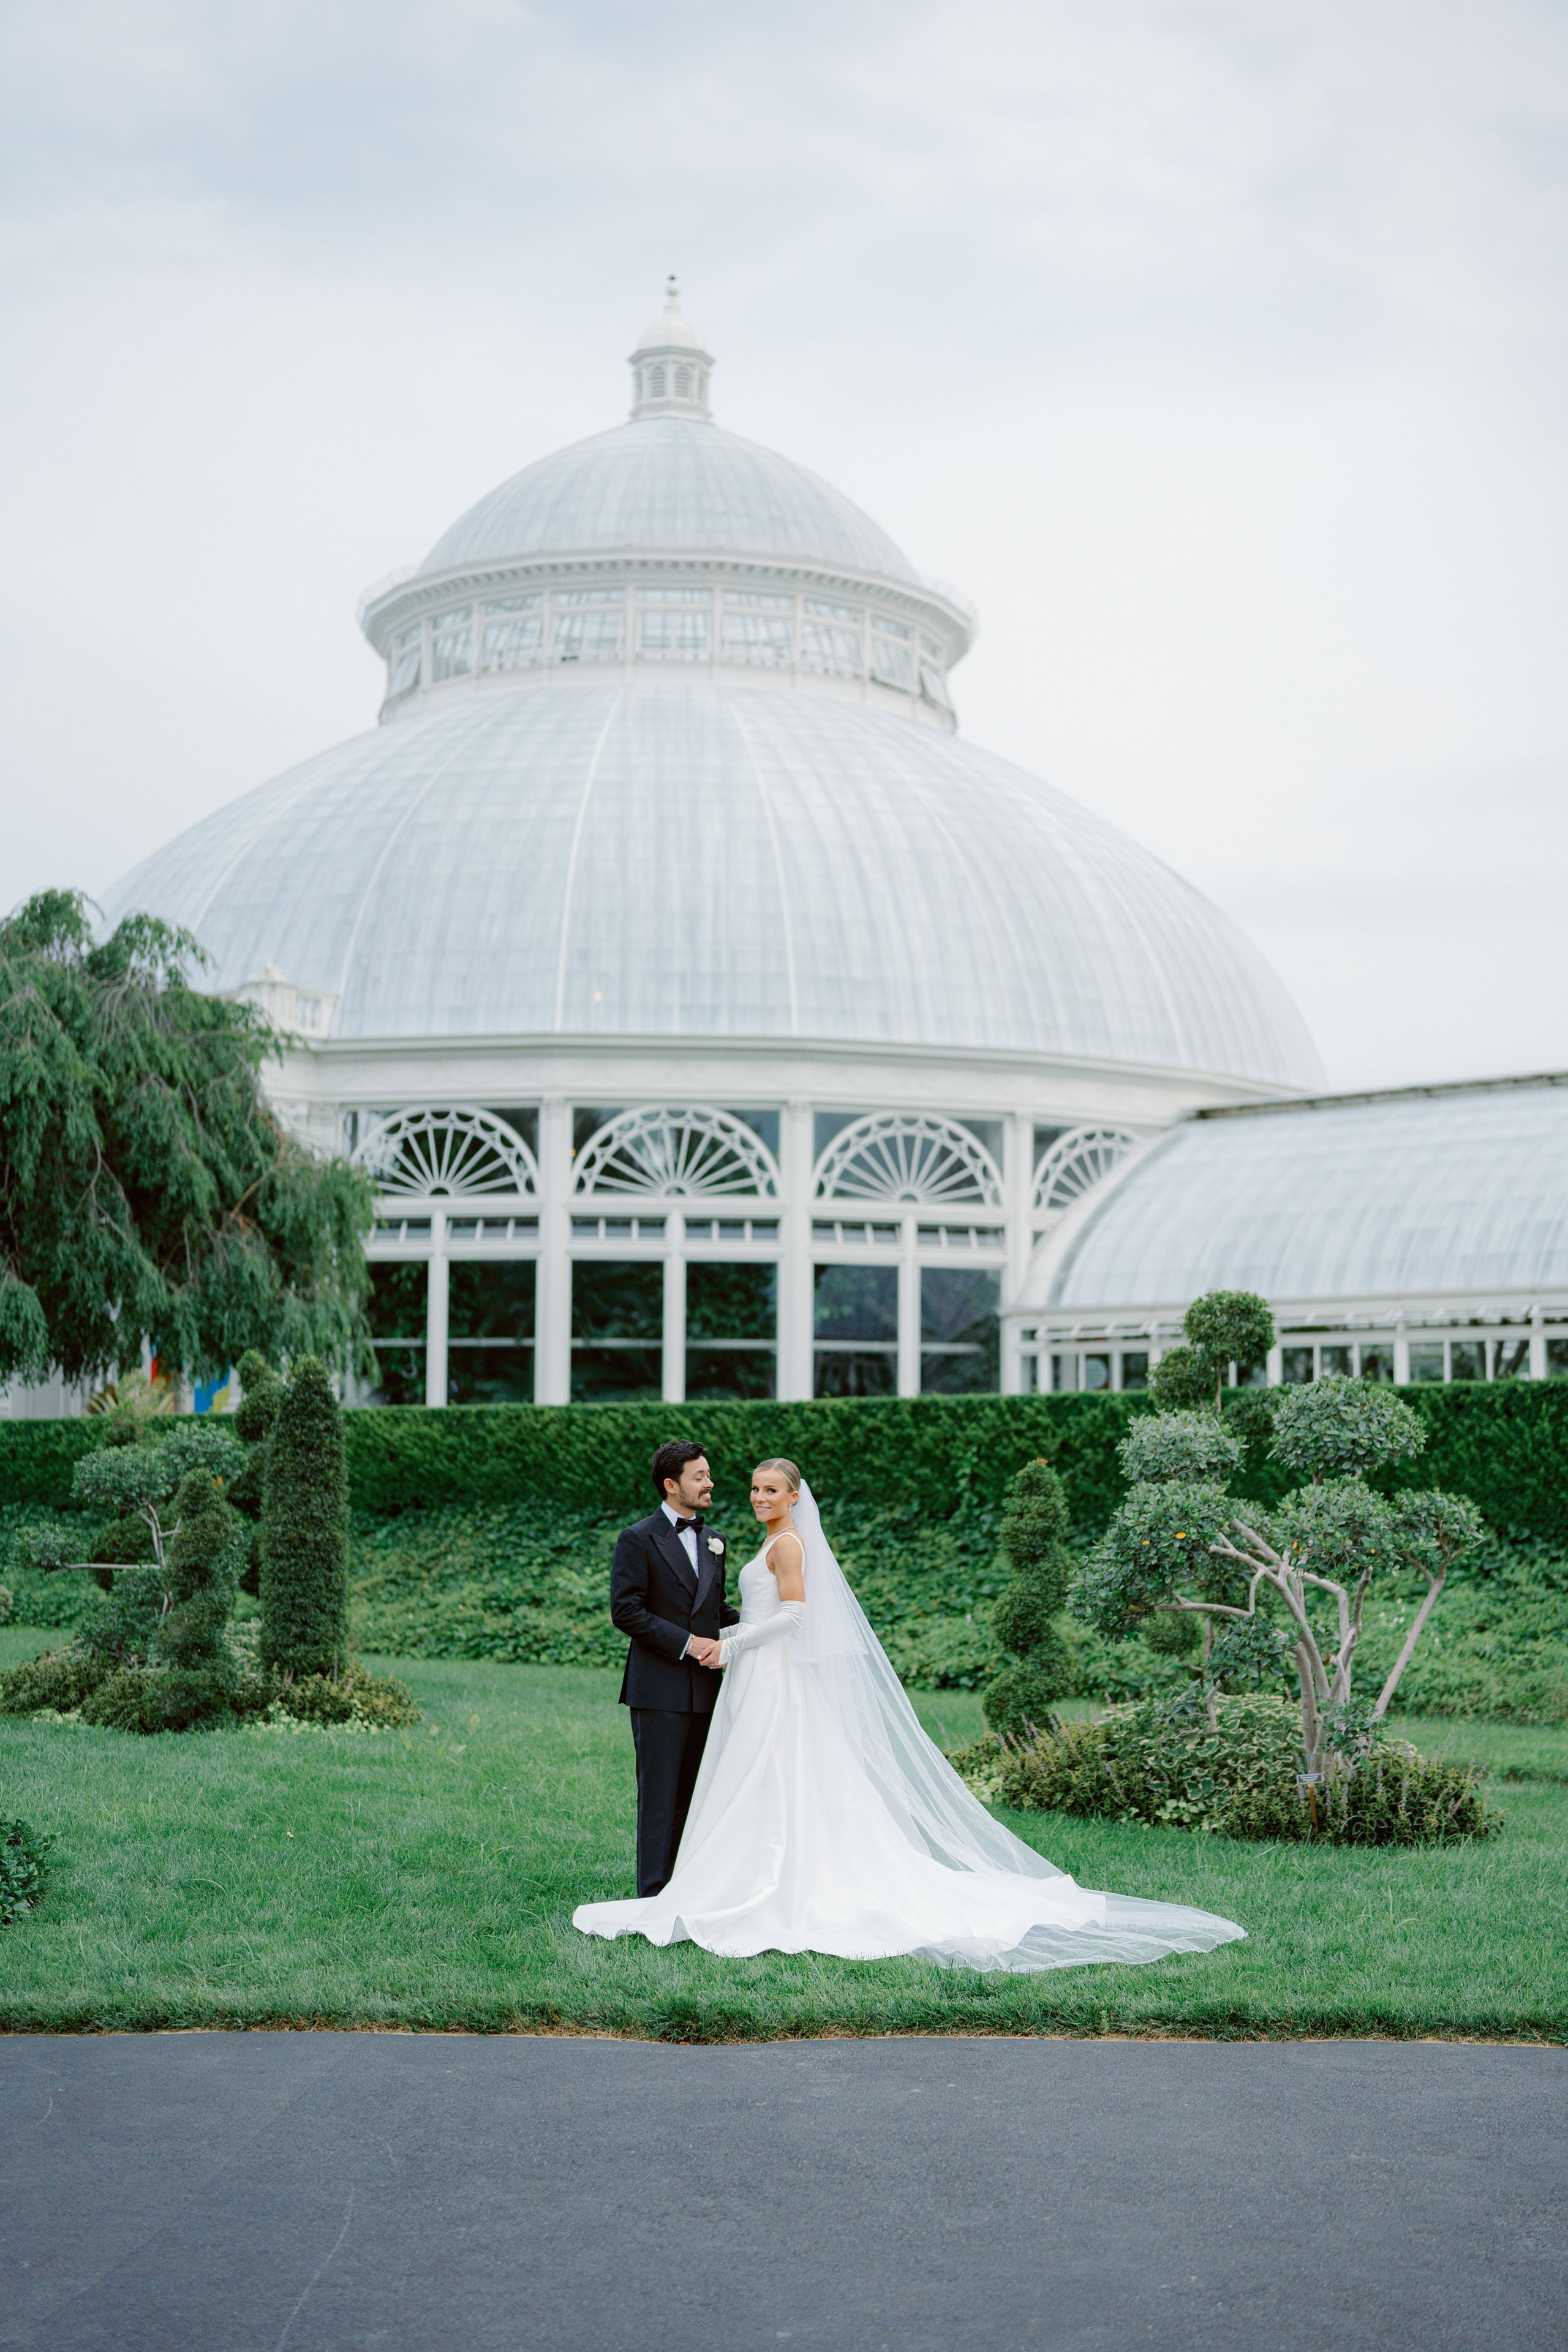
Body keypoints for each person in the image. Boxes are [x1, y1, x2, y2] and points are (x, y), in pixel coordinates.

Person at [576, 1458, 1247, 1973]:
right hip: (747, 1677)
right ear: (672, 1485)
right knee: (754, 1776)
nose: (753, 1496)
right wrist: (732, 1638)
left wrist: (735, 1643)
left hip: (763, 1674)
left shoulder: (784, 1546)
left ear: (794, 1498)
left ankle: (760, 1881)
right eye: (749, 1488)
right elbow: (709, 1609)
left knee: (772, 1774)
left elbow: (793, 1616)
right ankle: (717, 1875)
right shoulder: (748, 1543)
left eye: (768, 1490)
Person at [609, 1439, 741, 1898]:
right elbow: (626, 1611)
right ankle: (653, 1895)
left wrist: (761, 1629)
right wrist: (687, 1644)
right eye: (699, 1476)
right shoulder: (637, 1539)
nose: (710, 1483)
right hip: (658, 1688)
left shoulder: (713, 1540)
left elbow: (716, 1610)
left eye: (708, 1474)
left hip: (707, 1688)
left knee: (699, 1794)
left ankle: (688, 1887)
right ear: (671, 1485)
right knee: (661, 1798)